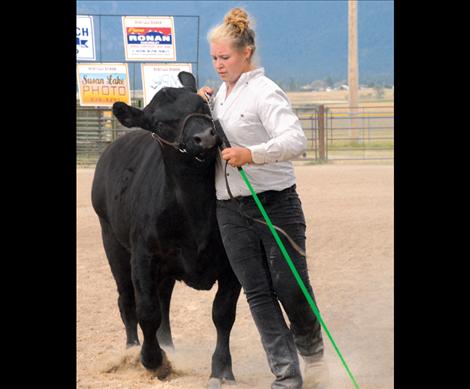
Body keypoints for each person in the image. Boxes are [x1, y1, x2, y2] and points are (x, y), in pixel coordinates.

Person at [198, 8, 329, 389]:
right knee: (256, 292)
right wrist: (201, 102)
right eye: (215, 59)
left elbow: (295, 140)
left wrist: (251, 154)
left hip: (275, 204)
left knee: (289, 286)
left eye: (226, 58)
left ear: (247, 53)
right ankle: (287, 375)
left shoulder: (265, 91)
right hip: (230, 210)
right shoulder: (219, 95)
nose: (219, 65)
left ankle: (312, 350)